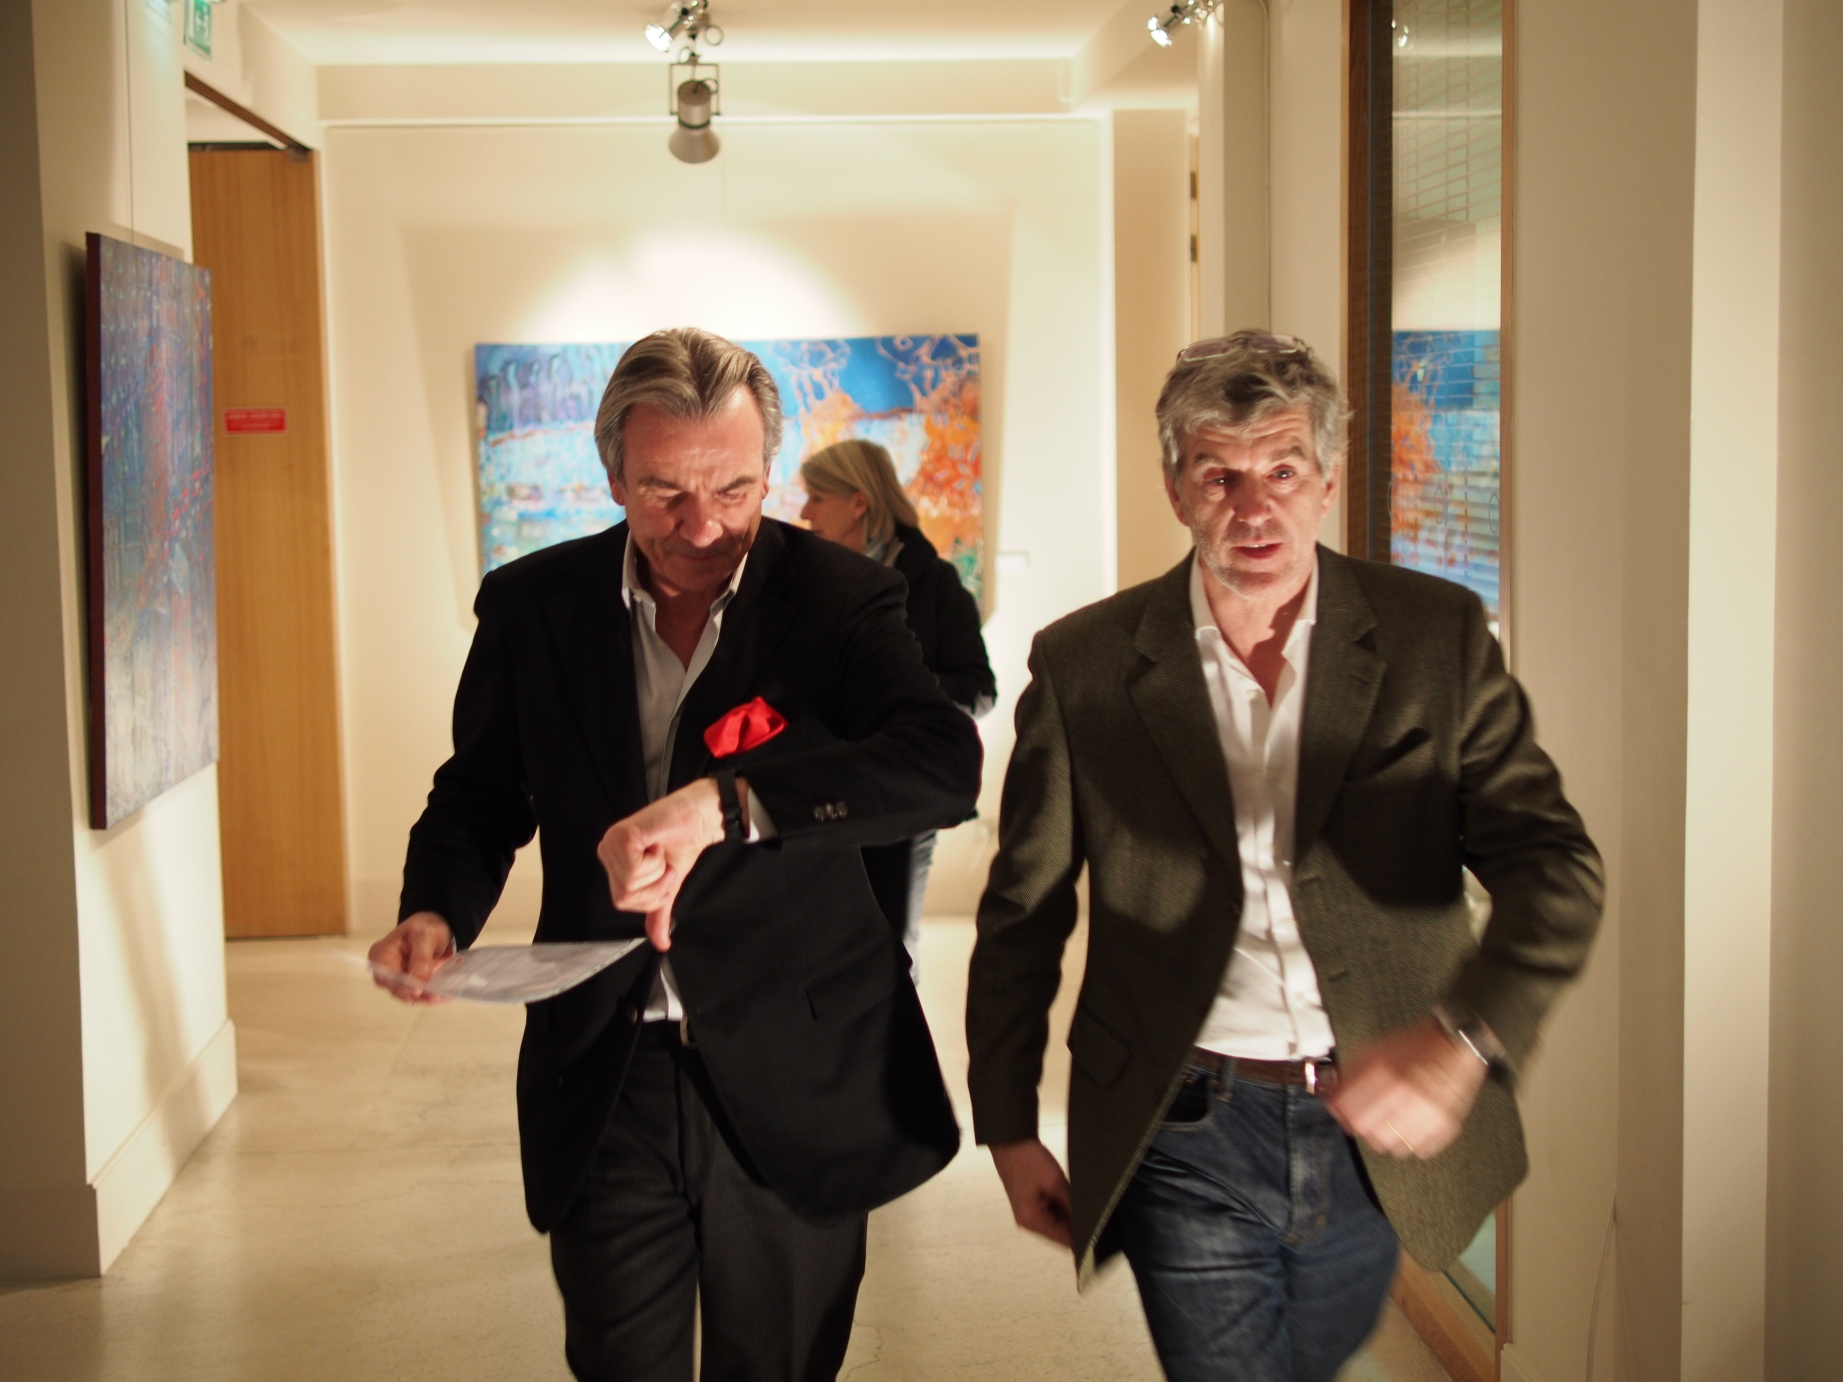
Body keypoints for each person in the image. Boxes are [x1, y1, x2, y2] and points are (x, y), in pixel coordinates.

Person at [965, 330, 1603, 1381]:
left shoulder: (1432, 637)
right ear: (1175, 488)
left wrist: (1461, 1042)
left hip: (1377, 1124)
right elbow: (1022, 909)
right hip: (1184, 1118)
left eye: (1282, 471)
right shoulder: (1086, 665)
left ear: (1327, 483)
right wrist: (1006, 1120)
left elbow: (1552, 865)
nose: (1252, 507)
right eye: (1218, 474)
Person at [369, 328, 980, 1382]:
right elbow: (480, 793)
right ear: (611, 474)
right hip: (608, 1069)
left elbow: (940, 766)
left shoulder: (838, 598)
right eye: (662, 492)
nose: (701, 526)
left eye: (733, 489)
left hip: (794, 1065)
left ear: (769, 470)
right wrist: (435, 910)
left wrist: (730, 804)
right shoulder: (533, 605)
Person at [799, 439, 996, 973]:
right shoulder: (811, 582)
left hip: (899, 793)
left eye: (817, 497)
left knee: (890, 956)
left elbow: (978, 688)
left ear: (858, 503)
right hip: (819, 793)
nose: (805, 513)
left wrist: (895, 691)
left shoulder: (937, 586)